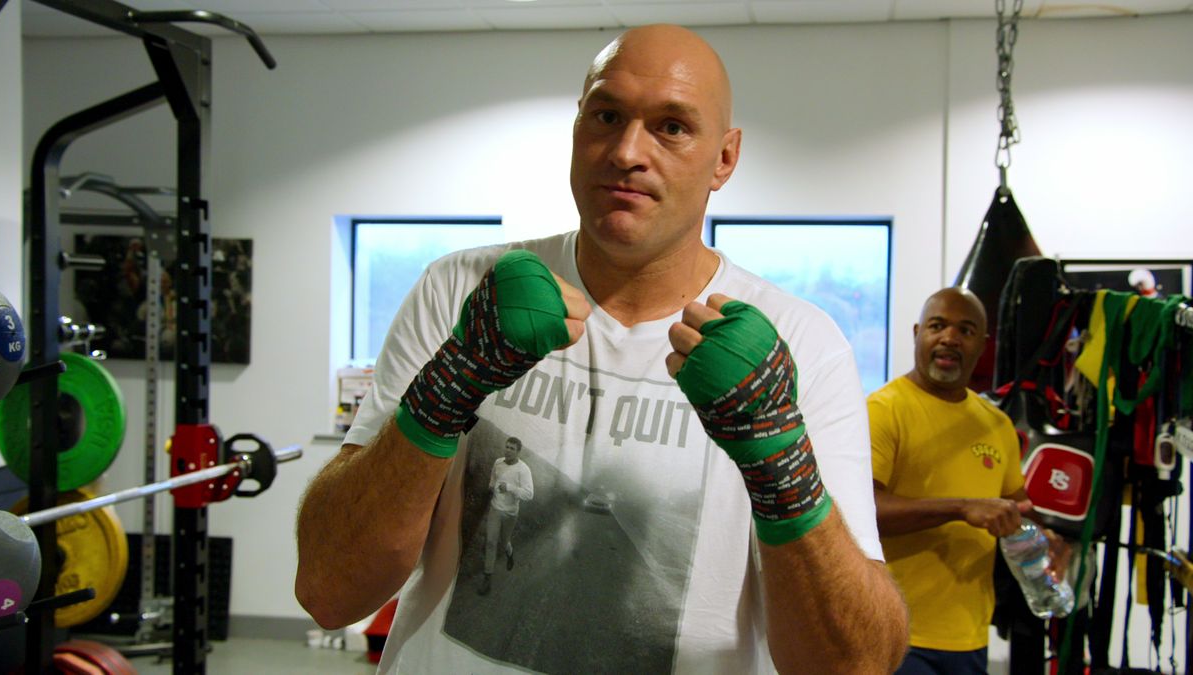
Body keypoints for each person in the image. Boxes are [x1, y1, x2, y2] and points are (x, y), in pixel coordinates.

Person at [297, 24, 908, 674]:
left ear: (724, 159)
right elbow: (329, 589)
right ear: (576, 128)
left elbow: (855, 664)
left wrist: (782, 468)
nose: (625, 151)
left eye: (671, 126)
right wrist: (447, 389)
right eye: (606, 115)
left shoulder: (803, 345)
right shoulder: (460, 290)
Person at [868, 287, 1067, 675]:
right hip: (896, 633)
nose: (949, 338)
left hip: (969, 637)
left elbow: (1017, 510)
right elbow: (862, 511)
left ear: (983, 345)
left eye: (965, 329)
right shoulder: (882, 411)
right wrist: (959, 508)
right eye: (937, 326)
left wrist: (1048, 541)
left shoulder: (996, 424)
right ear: (917, 333)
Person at [479, 437, 533, 595]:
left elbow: (529, 494)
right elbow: (493, 478)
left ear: (518, 452)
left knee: (504, 543)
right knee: (490, 542)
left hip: (510, 513)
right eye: (507, 447)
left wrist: (509, 487)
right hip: (495, 508)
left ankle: (509, 554)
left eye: (512, 449)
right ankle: (487, 579)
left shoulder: (523, 470)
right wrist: (491, 487)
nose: (508, 450)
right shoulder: (498, 463)